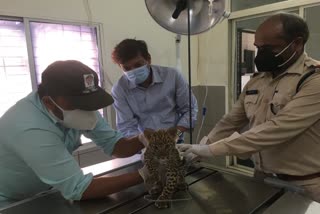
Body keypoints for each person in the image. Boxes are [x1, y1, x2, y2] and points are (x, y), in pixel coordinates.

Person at [177, 12, 320, 202]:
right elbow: (230, 122)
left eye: (268, 48)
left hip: (306, 185)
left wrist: (211, 150)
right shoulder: (257, 81)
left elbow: (277, 129)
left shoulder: (313, 80)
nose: (260, 54)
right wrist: (201, 147)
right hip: (262, 178)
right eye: (258, 47)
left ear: (297, 43)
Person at [0, 60, 146, 207]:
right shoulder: (29, 128)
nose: (88, 111)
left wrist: (143, 139)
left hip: (45, 190)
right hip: (10, 202)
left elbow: (115, 146)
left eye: (89, 104)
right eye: (79, 105)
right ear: (49, 102)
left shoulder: (81, 108)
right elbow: (79, 189)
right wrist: (146, 174)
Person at [111, 39, 198, 141]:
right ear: (120, 67)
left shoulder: (172, 76)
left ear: (148, 59)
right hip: (143, 145)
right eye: (126, 68)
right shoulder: (119, 89)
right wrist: (145, 144)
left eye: (138, 65)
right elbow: (126, 126)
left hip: (175, 141)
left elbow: (190, 110)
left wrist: (175, 134)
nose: (133, 71)